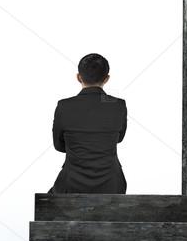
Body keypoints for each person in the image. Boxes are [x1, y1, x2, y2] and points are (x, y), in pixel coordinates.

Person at [49, 53, 128, 194]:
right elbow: (118, 139)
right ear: (107, 79)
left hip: (71, 185)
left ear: (78, 77)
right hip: (111, 186)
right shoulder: (118, 105)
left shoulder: (64, 106)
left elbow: (59, 145)